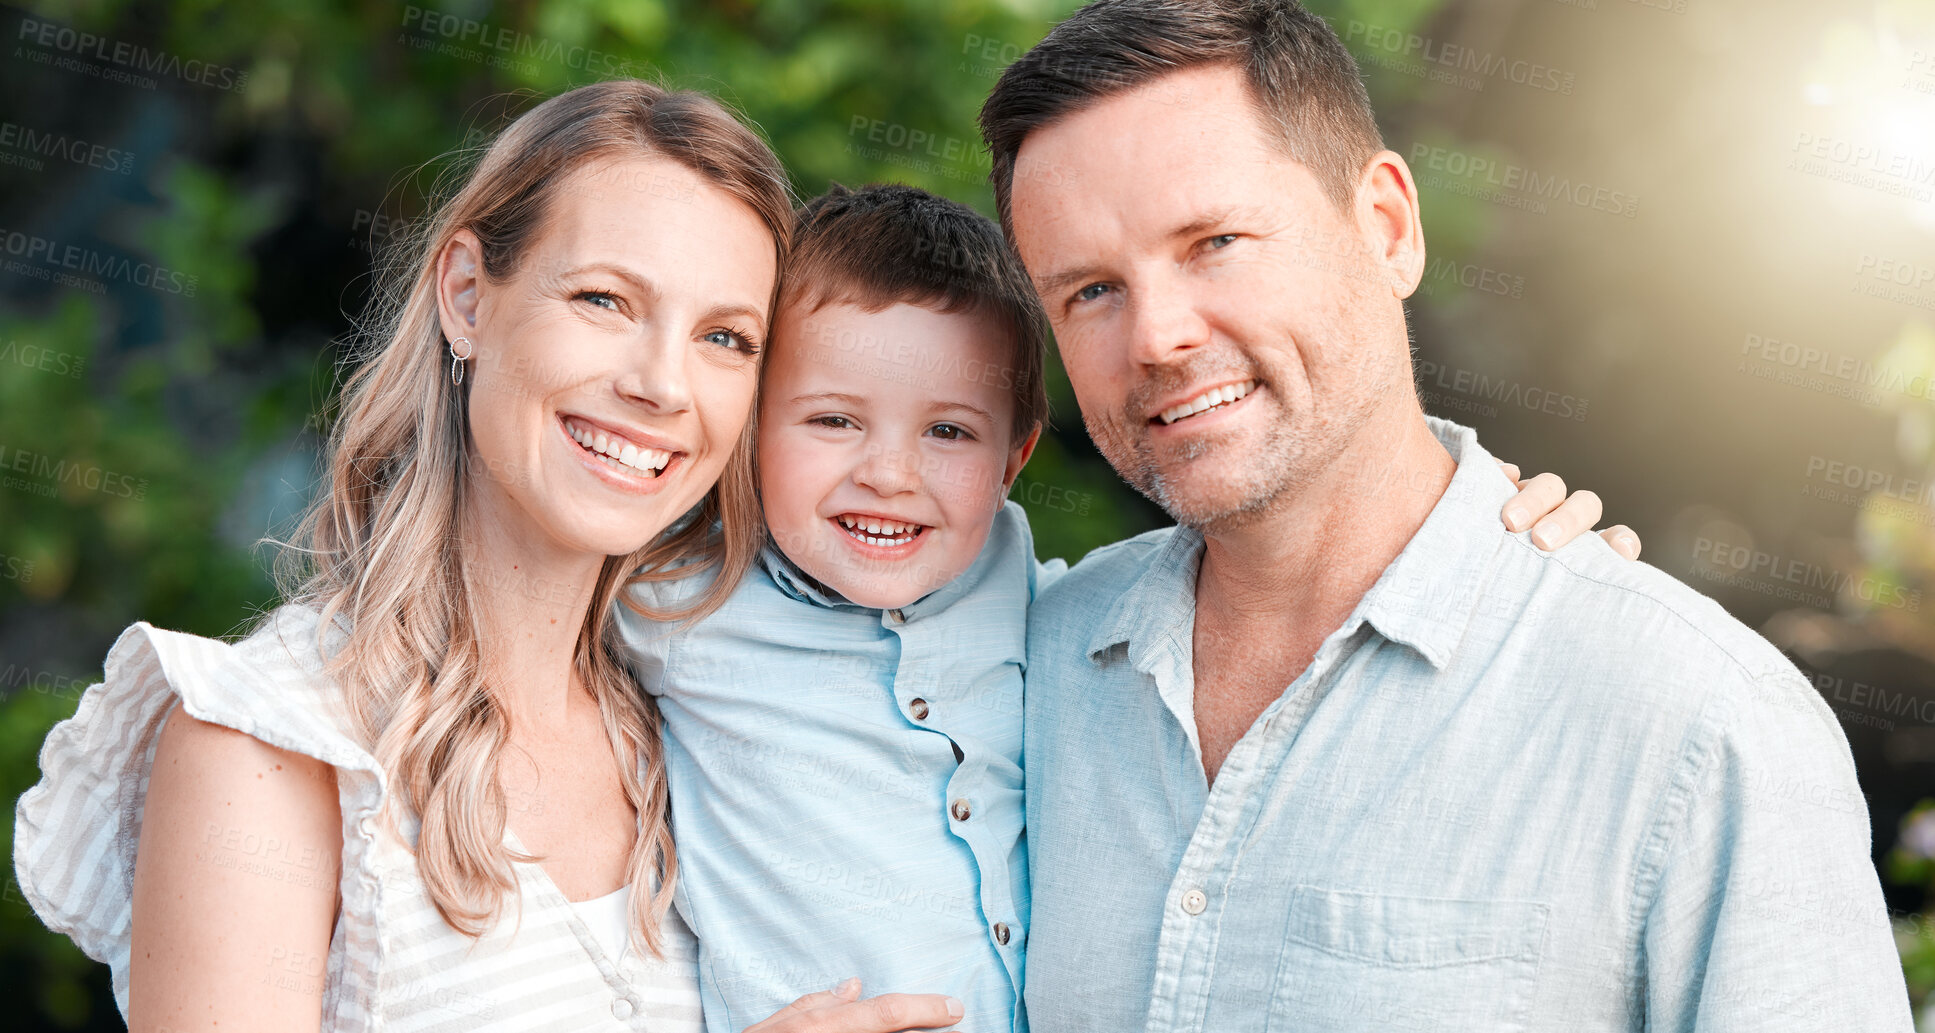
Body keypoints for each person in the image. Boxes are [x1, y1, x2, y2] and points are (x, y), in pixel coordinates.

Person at [979, 2, 1914, 1030]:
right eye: (1090, 291)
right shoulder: (1006, 680)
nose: (1155, 336)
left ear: (1386, 227)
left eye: (1216, 242)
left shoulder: (1696, 720)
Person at [12, 80, 957, 1033]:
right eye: (605, 299)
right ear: (467, 296)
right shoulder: (268, 743)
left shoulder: (709, 729)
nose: (663, 384)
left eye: (724, 337)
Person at [620, 181, 1634, 1033]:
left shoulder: (1046, 609)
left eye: (950, 433)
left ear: (1015, 458)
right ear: (747, 430)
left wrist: (1501, 541)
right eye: (833, 420)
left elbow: (1310, 580)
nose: (888, 473)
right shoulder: (674, 597)